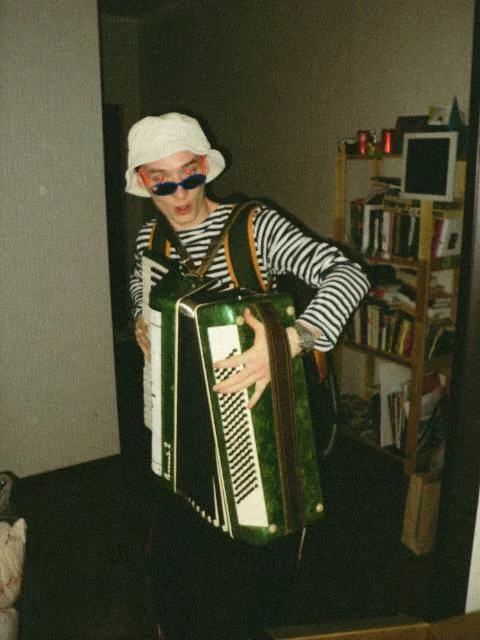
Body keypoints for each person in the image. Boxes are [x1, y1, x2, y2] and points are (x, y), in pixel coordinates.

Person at [126, 112, 370, 639]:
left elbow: (349, 274)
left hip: (263, 423)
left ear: (206, 166)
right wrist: (141, 322)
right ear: (143, 182)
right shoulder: (151, 238)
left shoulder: (256, 227)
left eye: (189, 173)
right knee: (171, 564)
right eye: (161, 180)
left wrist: (289, 342)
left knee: (262, 568)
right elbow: (140, 290)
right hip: (186, 428)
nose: (179, 193)